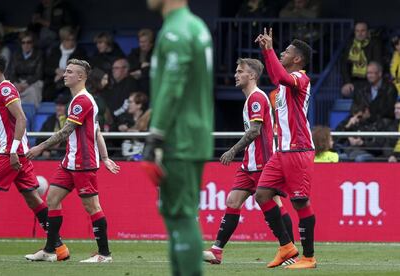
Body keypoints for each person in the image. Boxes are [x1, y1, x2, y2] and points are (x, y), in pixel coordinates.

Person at [25, 59, 120, 263]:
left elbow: (66, 131)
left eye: (70, 72)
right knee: (52, 200)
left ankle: (104, 254)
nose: (65, 74)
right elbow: (97, 131)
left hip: (83, 163)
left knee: (92, 207)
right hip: (70, 161)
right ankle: (51, 250)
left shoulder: (82, 101)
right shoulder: (80, 99)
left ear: (81, 77)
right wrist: (105, 157)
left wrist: (40, 146)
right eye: (66, 71)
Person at [143, 0, 213, 275]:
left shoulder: (175, 31)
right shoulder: (196, 26)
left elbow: (172, 86)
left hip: (178, 137)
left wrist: (156, 135)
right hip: (194, 133)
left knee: (180, 215)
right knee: (180, 214)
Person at [202, 58, 294, 265]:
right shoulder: (251, 99)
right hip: (249, 164)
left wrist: (232, 150)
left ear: (251, 75)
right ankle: (217, 251)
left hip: (263, 164)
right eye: (236, 71)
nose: (236, 74)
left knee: (275, 205)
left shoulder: (256, 99)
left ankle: (289, 250)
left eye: (240, 71)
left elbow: (255, 131)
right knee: (232, 202)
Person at [0, 54, 69, 261]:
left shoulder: (5, 89)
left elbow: (22, 118)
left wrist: (13, 150)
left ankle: (56, 246)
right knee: (33, 199)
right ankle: (58, 247)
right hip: (17, 154)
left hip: (9, 154)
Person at [254, 28, 316, 269]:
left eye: (287, 51)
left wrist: (269, 50)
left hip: (298, 149)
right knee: (262, 194)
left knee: (300, 202)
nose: (282, 52)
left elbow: (280, 77)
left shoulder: (301, 78)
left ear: (297, 59)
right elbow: (275, 75)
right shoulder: (282, 86)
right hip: (282, 152)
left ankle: (309, 257)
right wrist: (266, 52)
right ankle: (286, 247)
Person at [43, 26, 87, 101]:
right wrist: (55, 71)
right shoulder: (55, 51)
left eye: (72, 40)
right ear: (62, 40)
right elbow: (46, 68)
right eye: (68, 40)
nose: (71, 42)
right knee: (47, 94)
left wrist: (64, 74)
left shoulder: (80, 52)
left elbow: (82, 69)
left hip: (72, 83)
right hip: (54, 81)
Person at [341, 22, 382, 98]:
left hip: (370, 80)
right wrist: (347, 82)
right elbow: (344, 65)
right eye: (357, 31)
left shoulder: (374, 43)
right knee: (345, 91)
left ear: (367, 32)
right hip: (353, 81)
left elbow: (377, 63)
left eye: (362, 30)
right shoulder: (350, 44)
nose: (360, 33)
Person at [9, 31, 44, 107]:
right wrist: (17, 84)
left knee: (33, 91)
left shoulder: (38, 54)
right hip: (18, 82)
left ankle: (31, 115)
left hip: (33, 82)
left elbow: (39, 74)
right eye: (23, 42)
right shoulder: (16, 54)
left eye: (29, 42)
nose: (26, 45)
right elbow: (12, 73)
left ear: (32, 43)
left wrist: (26, 84)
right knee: (9, 91)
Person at [36, 94, 70, 159]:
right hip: (49, 151)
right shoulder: (50, 120)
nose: (59, 108)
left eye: (61, 105)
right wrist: (45, 150)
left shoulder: (70, 120)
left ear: (66, 107)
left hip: (64, 152)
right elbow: (40, 138)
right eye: (57, 105)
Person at [118, 92, 151, 160]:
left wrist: (137, 132)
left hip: (142, 155)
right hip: (124, 155)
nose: (128, 105)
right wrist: (119, 128)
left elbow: (151, 133)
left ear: (139, 105)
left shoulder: (148, 118)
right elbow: (112, 128)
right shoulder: (124, 117)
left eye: (130, 102)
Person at [128, 28, 154, 94]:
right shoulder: (134, 53)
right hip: (135, 88)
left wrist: (142, 72)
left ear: (151, 42)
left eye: (144, 42)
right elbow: (130, 68)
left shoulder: (157, 54)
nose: (141, 44)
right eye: (140, 42)